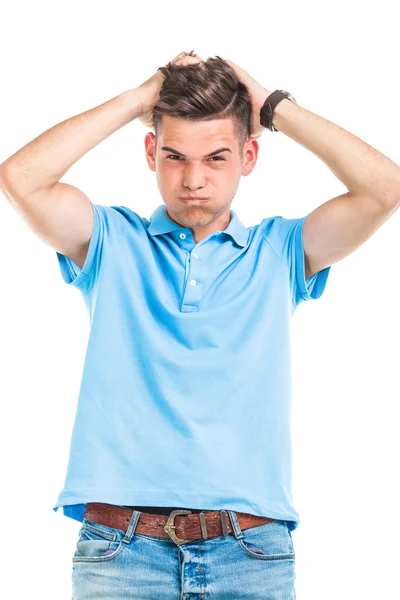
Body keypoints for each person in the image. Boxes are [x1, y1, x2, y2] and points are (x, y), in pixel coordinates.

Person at [1, 50, 399, 599]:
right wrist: (143, 98)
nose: (193, 180)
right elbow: (21, 178)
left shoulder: (280, 250)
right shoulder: (112, 241)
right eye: (174, 156)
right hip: (120, 547)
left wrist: (273, 105)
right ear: (151, 152)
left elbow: (385, 189)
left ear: (248, 156)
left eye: (216, 157)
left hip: (251, 549)